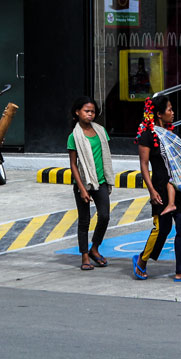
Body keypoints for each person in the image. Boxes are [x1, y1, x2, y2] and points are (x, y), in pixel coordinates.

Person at [132, 95, 181, 282]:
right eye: (169, 109)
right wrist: (151, 190)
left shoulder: (172, 134)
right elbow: (144, 165)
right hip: (161, 187)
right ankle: (142, 259)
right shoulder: (148, 135)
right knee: (162, 227)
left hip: (179, 186)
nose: (172, 113)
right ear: (159, 114)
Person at [67, 96, 114, 271]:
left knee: (105, 216)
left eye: (92, 111)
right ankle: (85, 256)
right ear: (77, 112)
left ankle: (95, 248)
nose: (90, 114)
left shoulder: (101, 131)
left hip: (100, 180)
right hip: (83, 182)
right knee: (84, 221)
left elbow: (105, 156)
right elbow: (73, 164)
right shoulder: (74, 136)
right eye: (87, 111)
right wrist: (81, 188)